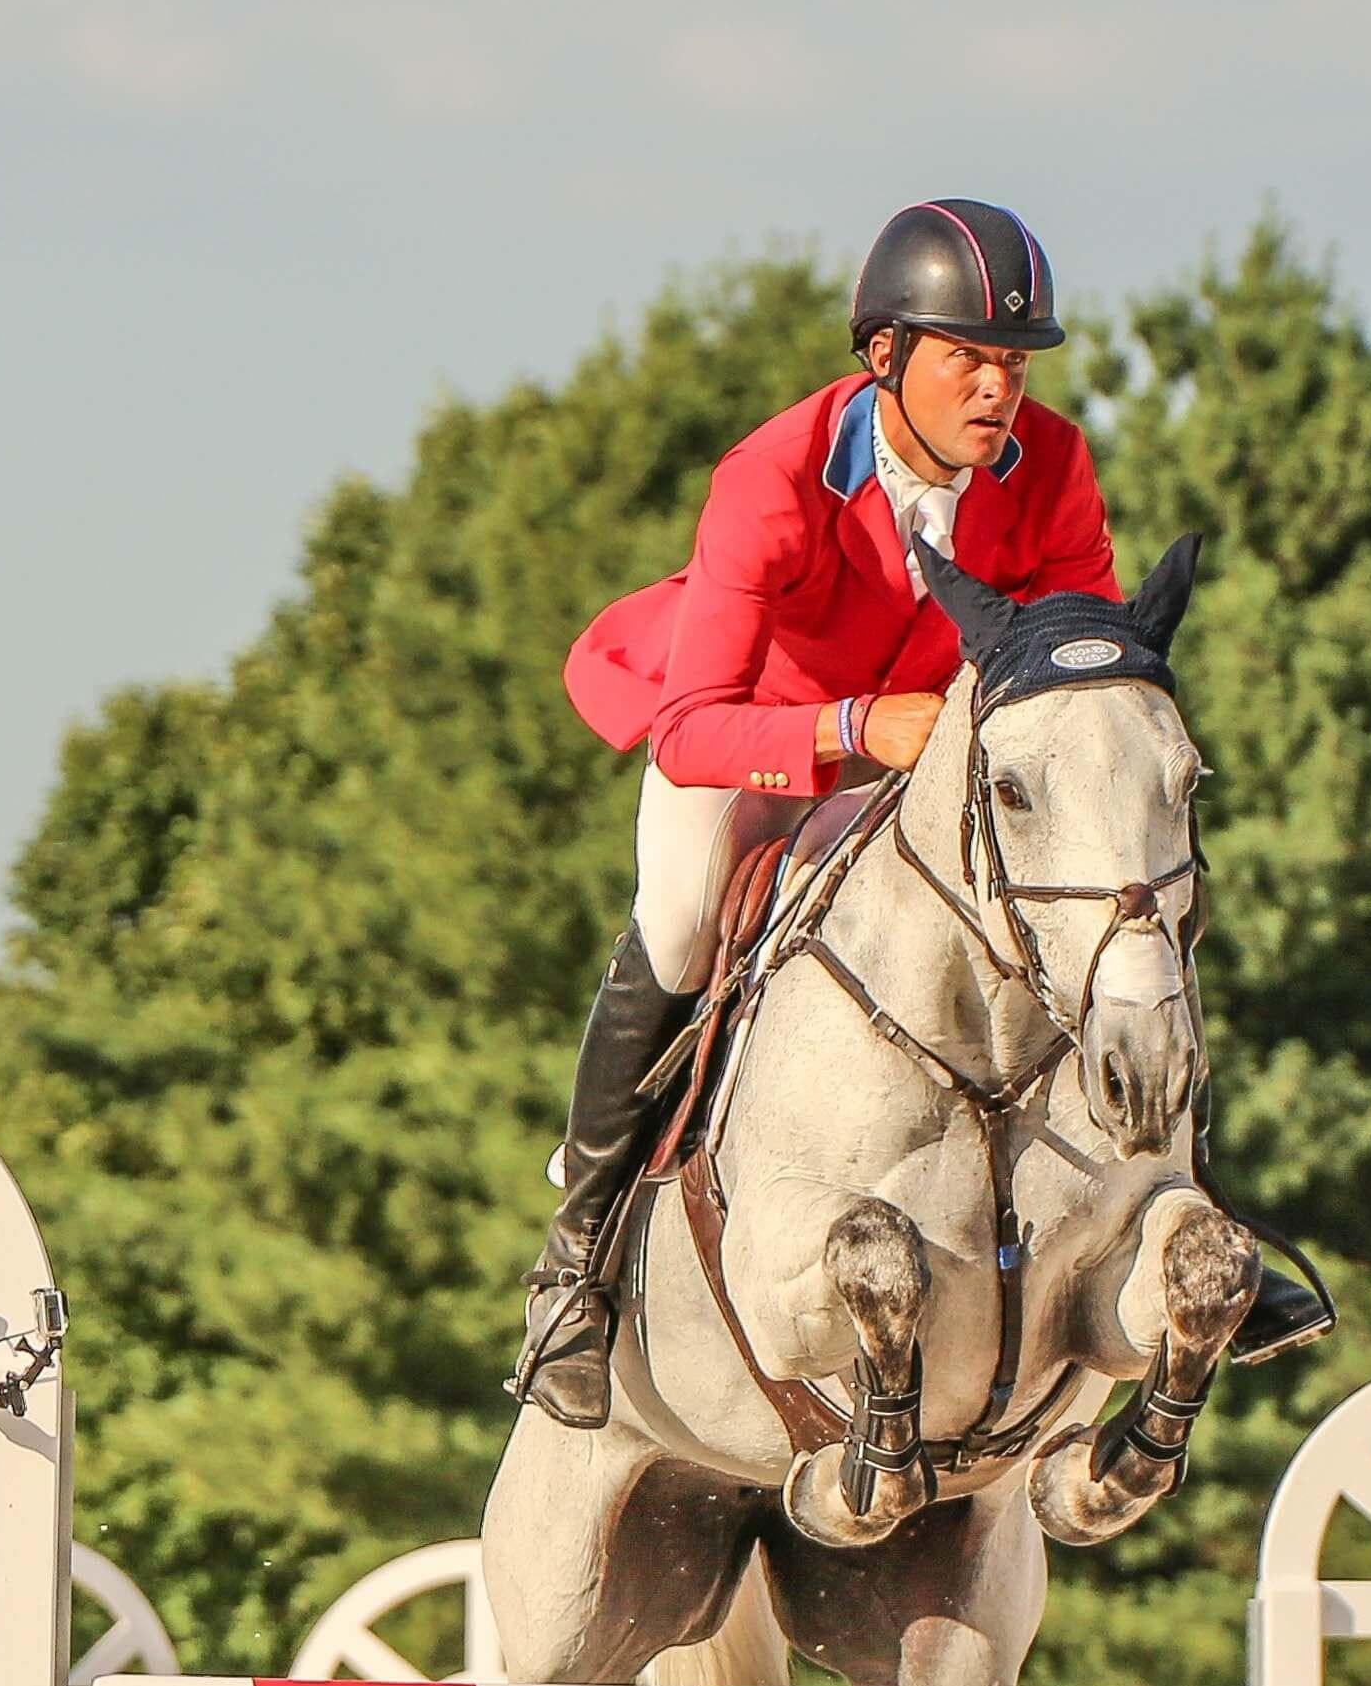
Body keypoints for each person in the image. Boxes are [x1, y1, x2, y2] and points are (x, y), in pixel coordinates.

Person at [512, 198, 1326, 1425]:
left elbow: (1080, 649)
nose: (996, 388)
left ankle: (1183, 1202)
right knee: (679, 922)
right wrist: (847, 730)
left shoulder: (1048, 463)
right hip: (767, 737)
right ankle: (574, 1264)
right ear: (883, 357)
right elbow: (691, 727)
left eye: (1011, 361)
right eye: (967, 359)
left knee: (1107, 921)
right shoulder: (772, 477)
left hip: (947, 760)